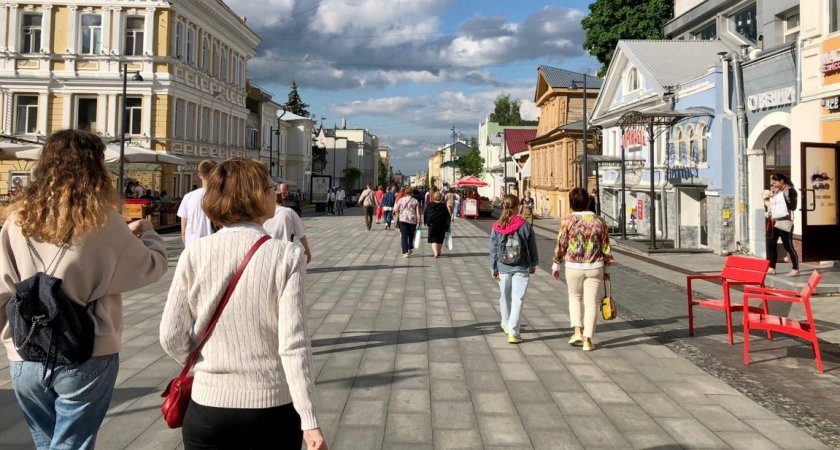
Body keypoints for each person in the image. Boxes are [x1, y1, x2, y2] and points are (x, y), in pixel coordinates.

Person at [0, 129, 168, 450]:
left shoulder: (17, 220)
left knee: (47, 443)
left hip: (25, 350)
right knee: (72, 444)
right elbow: (152, 266)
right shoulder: (102, 220)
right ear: (95, 168)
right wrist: (147, 232)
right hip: (87, 350)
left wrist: (10, 339)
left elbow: (2, 287)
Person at [160, 158, 327, 450]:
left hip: (207, 406)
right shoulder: (286, 255)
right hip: (270, 406)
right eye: (271, 188)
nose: (275, 193)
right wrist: (309, 419)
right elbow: (293, 344)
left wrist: (207, 365)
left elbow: (170, 336)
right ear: (257, 196)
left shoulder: (194, 252)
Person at [552, 187, 614, 352]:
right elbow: (605, 246)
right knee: (591, 302)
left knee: (575, 297)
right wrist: (607, 269)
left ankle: (577, 332)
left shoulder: (567, 220)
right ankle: (588, 340)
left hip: (573, 266)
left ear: (571, 203)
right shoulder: (599, 221)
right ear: (587, 202)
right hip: (595, 266)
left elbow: (561, 243)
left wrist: (556, 263)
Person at [489, 195, 539, 344]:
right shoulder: (525, 225)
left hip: (502, 266)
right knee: (518, 300)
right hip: (521, 266)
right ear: (518, 207)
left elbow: (493, 249)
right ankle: (513, 332)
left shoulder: (497, 226)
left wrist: (493, 268)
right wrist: (533, 263)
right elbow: (532, 247)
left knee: (504, 297)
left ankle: (505, 324)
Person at [264, 179, 313, 264]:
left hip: (267, 255)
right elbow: (301, 234)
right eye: (281, 193)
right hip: (284, 254)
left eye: (284, 193)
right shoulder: (289, 212)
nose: (283, 195)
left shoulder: (261, 214)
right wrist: (307, 249)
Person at [765, 173, 799, 276]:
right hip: (773, 221)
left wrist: (781, 198)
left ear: (782, 181)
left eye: (775, 182)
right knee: (771, 244)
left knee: (788, 246)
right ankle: (772, 267)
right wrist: (767, 198)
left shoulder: (790, 191)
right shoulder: (775, 192)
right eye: (772, 183)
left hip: (785, 221)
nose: (773, 184)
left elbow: (793, 207)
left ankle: (795, 269)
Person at [177, 160, 217, 246]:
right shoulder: (223, 197)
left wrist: (187, 247)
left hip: (193, 247)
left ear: (199, 175)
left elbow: (183, 231)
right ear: (217, 175)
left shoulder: (188, 197)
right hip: (214, 246)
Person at [394, 187, 421, 257]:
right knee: (411, 235)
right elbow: (418, 213)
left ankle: (405, 252)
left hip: (403, 220)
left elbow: (396, 209)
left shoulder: (401, 200)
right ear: (412, 193)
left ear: (405, 193)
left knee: (404, 236)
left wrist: (398, 213)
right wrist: (419, 220)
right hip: (412, 220)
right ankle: (409, 248)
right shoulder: (415, 201)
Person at [424, 191, 451, 258]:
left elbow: (426, 214)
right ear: (441, 197)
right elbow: (447, 216)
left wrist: (426, 222)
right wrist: (448, 224)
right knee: (440, 238)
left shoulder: (430, 205)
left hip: (432, 224)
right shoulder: (443, 206)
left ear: (433, 197)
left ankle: (435, 252)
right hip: (442, 225)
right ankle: (438, 251)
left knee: (433, 239)